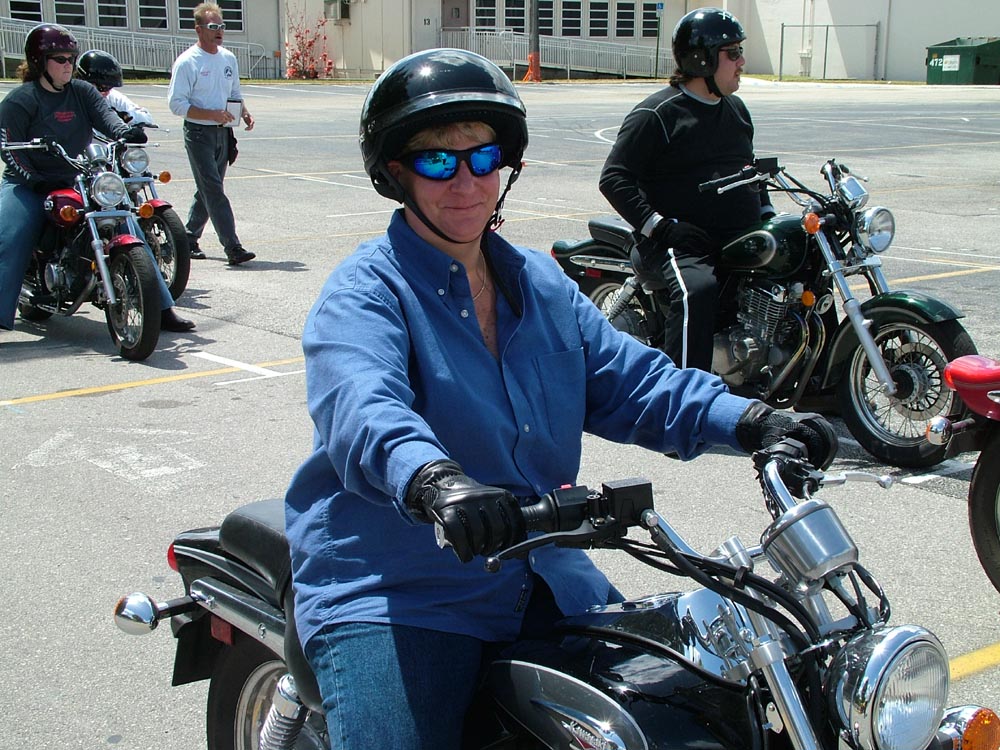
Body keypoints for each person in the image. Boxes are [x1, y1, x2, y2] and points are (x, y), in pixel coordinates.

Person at [283, 48, 837, 750]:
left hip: (545, 571)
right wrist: (435, 481)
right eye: (437, 160)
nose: (466, 182)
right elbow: (364, 409)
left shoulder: (540, 284)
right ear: (397, 173)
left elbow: (635, 381)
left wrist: (754, 420)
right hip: (403, 587)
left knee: (686, 713)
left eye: (483, 158)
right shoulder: (365, 292)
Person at [599, 7, 773, 371]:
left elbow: (749, 170)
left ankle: (821, 384)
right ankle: (684, 393)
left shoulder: (736, 109)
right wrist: (663, 228)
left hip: (734, 236)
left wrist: (767, 216)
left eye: (740, 51)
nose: (742, 62)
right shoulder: (657, 114)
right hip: (679, 242)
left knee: (800, 264)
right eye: (732, 53)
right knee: (698, 291)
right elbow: (614, 178)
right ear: (702, 59)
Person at [0, 23, 195, 333]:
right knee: (13, 233)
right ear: (39, 62)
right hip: (28, 183)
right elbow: (8, 148)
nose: (68, 65)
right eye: (60, 59)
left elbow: (107, 119)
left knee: (125, 219)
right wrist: (34, 179)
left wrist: (125, 132)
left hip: (75, 176)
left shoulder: (82, 91)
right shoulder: (21, 100)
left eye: (71, 58)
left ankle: (161, 307)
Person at [167, 2, 255, 265]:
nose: (219, 31)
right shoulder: (188, 62)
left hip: (223, 133)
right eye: (213, 26)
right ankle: (233, 247)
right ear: (199, 30)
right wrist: (210, 115)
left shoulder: (228, 58)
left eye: (222, 26)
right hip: (198, 134)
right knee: (213, 190)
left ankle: (187, 238)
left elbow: (234, 93)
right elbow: (177, 104)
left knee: (207, 189)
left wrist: (244, 112)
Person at [75, 49, 155, 126]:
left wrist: (126, 116)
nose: (106, 92)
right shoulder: (71, 102)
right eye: (102, 88)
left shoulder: (112, 98)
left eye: (109, 88)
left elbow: (146, 118)